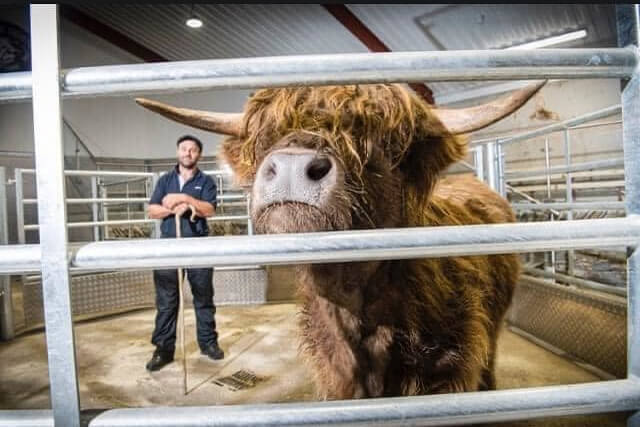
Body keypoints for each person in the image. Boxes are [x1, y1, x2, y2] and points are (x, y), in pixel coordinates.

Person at [145, 134, 224, 372]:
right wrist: (173, 210)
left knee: (203, 298)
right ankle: (163, 350)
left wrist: (185, 198)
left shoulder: (206, 182)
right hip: (169, 246)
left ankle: (208, 344)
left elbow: (209, 210)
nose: (188, 153)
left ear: (198, 154)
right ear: (178, 152)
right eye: (184, 149)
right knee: (167, 302)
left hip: (199, 246)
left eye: (193, 150)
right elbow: (152, 210)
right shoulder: (164, 180)